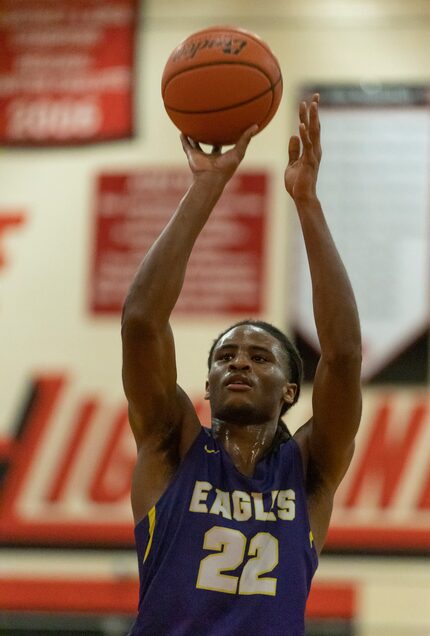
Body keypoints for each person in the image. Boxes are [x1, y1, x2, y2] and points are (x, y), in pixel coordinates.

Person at [122, 94, 362, 636]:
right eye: (225, 356)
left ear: (290, 391)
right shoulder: (171, 445)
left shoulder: (309, 470)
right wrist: (206, 186)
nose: (239, 364)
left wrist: (307, 203)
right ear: (205, 384)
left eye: (259, 357)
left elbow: (344, 358)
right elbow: (140, 321)